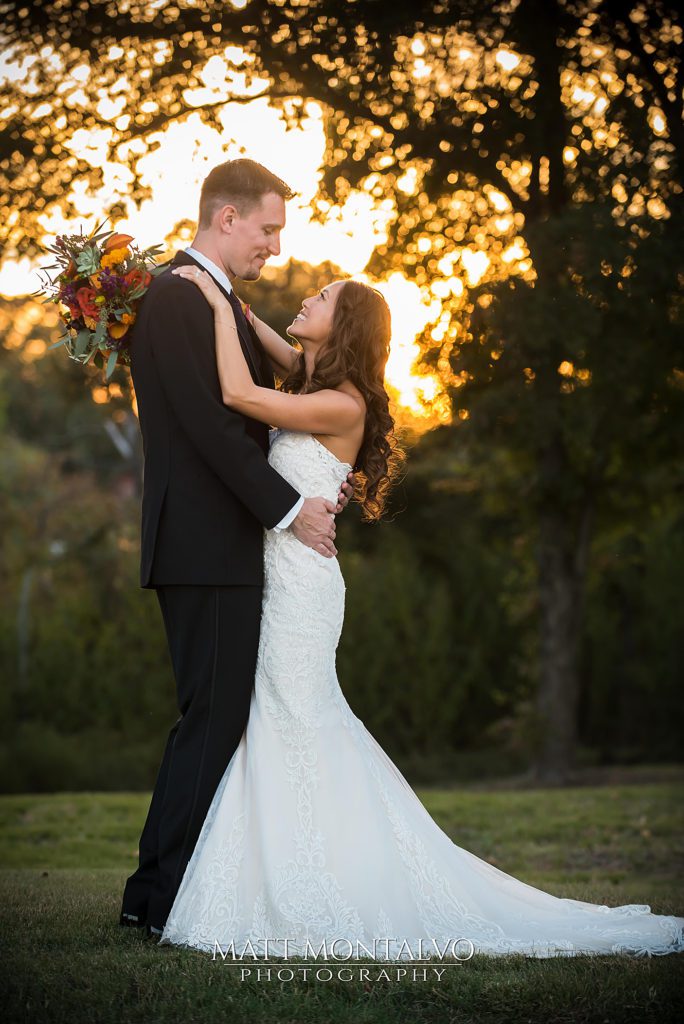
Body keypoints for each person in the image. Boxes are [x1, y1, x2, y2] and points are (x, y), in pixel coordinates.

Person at [154, 262, 684, 959]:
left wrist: (214, 307)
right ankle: (289, 866)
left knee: (296, 719)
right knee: (281, 720)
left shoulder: (341, 406)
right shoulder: (317, 382)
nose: (306, 297)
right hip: (280, 581)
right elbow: (278, 351)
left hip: (301, 596)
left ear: (341, 328)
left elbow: (235, 390)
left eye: (322, 298)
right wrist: (232, 301)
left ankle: (324, 875)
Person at [119, 159, 355, 937]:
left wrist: (325, 470)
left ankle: (159, 894)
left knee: (214, 719)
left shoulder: (211, 296)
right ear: (227, 219)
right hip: (204, 545)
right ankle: (155, 902)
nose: (276, 248)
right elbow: (211, 428)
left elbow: (290, 401)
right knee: (211, 722)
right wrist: (294, 509)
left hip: (216, 546)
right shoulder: (180, 296)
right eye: (268, 229)